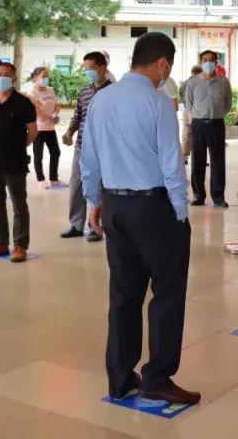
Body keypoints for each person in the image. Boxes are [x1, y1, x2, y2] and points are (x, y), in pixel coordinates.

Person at [81, 32, 199, 407]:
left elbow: (88, 156)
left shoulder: (101, 99)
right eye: (169, 67)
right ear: (163, 64)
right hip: (154, 208)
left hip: (115, 205)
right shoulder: (157, 102)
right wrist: (180, 212)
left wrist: (93, 200)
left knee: (124, 294)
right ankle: (157, 378)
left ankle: (119, 377)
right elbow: (171, 163)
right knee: (167, 293)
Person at [0, 62, 37, 263]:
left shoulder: (24, 103)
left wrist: (17, 146)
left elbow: (33, 131)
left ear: (14, 78)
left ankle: (20, 245)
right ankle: (1, 242)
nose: (2, 78)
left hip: (15, 161)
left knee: (19, 203)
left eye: (6, 74)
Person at [62, 52, 113, 241]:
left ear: (102, 68)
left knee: (100, 187)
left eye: (91, 68)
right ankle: (76, 224)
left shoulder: (113, 92)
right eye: (85, 68)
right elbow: (78, 115)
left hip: (103, 148)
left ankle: (95, 227)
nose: (87, 72)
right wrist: (69, 132)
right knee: (76, 185)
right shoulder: (84, 91)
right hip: (82, 146)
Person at [184, 50, 233, 207]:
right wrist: (199, 115)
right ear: (200, 62)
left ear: (216, 63)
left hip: (216, 124)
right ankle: (198, 196)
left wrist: (217, 114)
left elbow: (228, 104)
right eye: (205, 60)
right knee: (197, 161)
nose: (208, 63)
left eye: (211, 60)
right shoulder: (192, 82)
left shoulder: (223, 82)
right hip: (198, 124)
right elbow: (188, 104)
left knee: (218, 162)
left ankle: (218, 197)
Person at [28, 66, 63, 189]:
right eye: (43, 76)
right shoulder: (32, 93)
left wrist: (56, 113)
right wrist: (50, 117)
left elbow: (56, 105)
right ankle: (41, 179)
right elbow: (36, 111)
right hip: (38, 128)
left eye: (47, 76)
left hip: (50, 128)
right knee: (38, 155)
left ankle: (54, 179)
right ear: (35, 77)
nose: (46, 78)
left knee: (56, 152)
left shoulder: (50, 90)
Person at [180, 65, 202, 162]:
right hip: (197, 111)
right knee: (198, 135)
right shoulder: (199, 82)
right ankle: (198, 157)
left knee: (186, 133)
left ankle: (184, 156)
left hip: (186, 110)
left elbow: (181, 94)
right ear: (199, 73)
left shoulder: (185, 82)